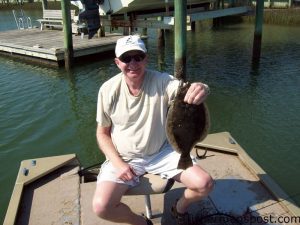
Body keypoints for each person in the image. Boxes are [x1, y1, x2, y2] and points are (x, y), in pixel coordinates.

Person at [92, 35, 214, 225]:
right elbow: (102, 133)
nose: (133, 63)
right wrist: (118, 163)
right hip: (124, 158)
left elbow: (184, 89)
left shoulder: (163, 81)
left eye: (138, 57)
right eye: (126, 58)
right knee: (101, 207)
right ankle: (141, 223)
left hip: (161, 153)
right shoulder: (107, 90)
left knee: (204, 184)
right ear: (117, 62)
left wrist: (202, 88)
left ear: (146, 59)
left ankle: (179, 208)